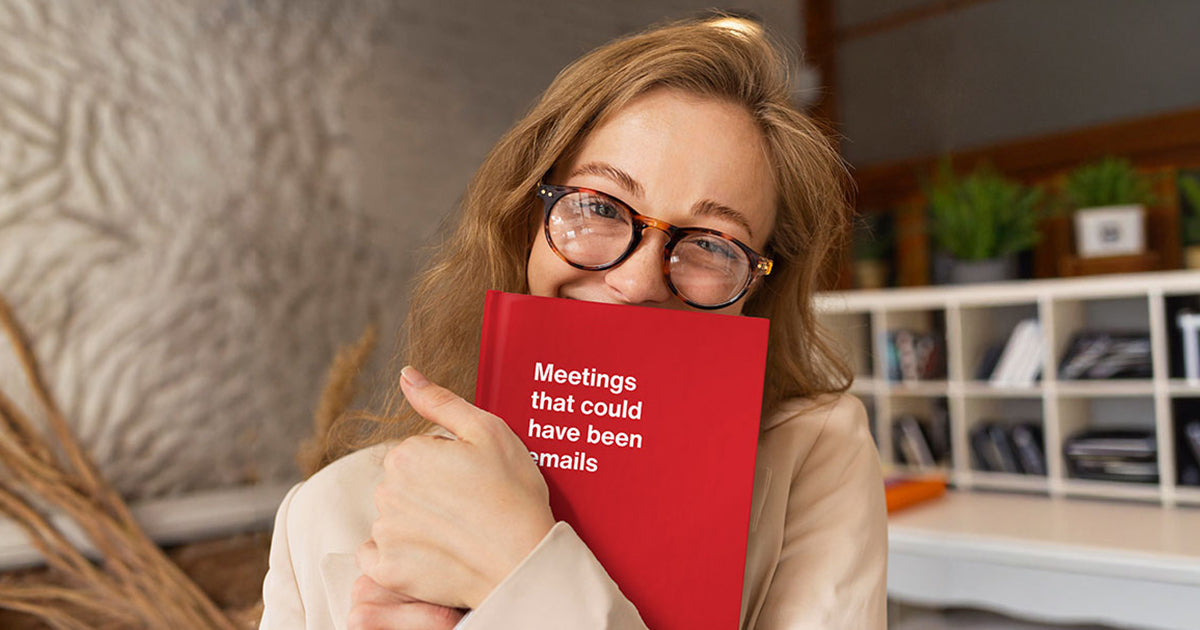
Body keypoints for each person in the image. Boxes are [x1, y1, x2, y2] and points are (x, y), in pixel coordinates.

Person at [259, 14, 886, 630]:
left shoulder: (814, 455)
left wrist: (521, 571)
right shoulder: (325, 514)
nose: (637, 282)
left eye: (713, 245)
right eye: (598, 207)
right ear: (525, 220)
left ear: (757, 287)